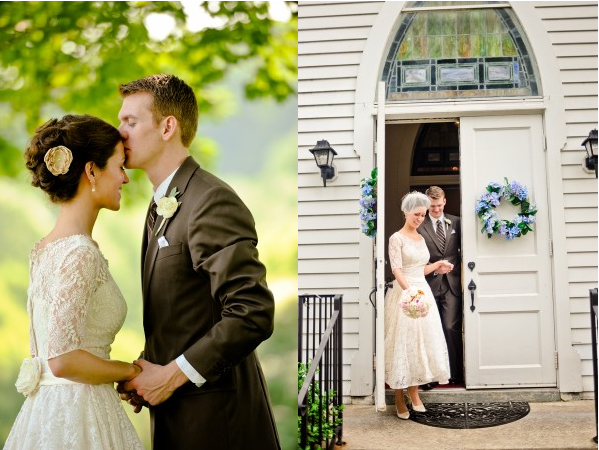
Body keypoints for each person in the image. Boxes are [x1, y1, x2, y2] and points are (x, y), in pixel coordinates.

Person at [115, 74, 280, 450]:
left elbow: (251, 312)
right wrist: (149, 369)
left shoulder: (210, 200)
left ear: (167, 126)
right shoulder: (162, 203)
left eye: (131, 122)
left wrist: (171, 376)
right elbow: (185, 311)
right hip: (179, 417)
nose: (119, 132)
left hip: (220, 423)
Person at [4, 115, 144, 449]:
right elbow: (63, 359)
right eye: (120, 166)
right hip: (81, 415)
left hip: (47, 414)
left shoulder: (45, 249)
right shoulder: (79, 254)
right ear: (92, 171)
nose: (125, 178)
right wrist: (131, 372)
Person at [384, 191, 451, 420]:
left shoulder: (421, 238)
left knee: (420, 343)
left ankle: (415, 394)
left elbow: (420, 269)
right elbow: (397, 269)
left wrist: (438, 265)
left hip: (422, 292)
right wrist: (409, 292)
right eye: (416, 215)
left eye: (423, 215)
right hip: (405, 293)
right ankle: (399, 397)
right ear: (405, 212)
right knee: (403, 343)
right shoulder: (396, 238)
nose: (420, 219)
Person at [418, 186, 463, 388]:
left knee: (450, 327)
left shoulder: (456, 222)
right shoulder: (420, 225)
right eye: (432, 206)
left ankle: (454, 373)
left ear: (444, 201)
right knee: (428, 330)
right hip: (429, 283)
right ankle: (431, 376)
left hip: (452, 284)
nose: (435, 209)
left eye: (438, 205)